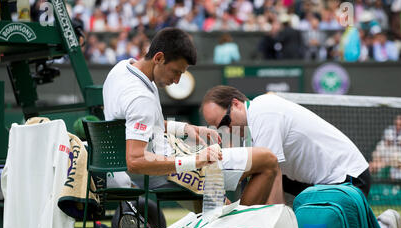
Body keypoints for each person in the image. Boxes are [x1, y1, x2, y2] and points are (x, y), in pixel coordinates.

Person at [200, 85, 401, 228]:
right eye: (219, 128)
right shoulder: (250, 129)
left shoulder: (263, 110)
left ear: (236, 104)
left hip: (348, 179)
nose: (226, 130)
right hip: (314, 183)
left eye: (225, 121)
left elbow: (272, 174)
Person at [102, 28, 278, 208]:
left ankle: (233, 222)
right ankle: (242, 225)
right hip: (166, 171)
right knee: (268, 160)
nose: (177, 80)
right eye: (176, 71)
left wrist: (185, 129)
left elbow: (141, 124)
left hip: (162, 163)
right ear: (159, 58)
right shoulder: (141, 98)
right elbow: (135, 160)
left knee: (223, 209)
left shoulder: (121, 69)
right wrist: (195, 160)